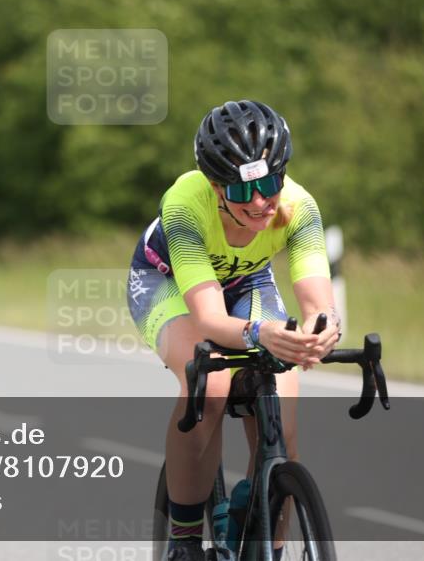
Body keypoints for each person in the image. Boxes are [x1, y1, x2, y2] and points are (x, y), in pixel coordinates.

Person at [126, 100, 341, 561]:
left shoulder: (298, 207)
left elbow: (316, 295)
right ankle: (183, 541)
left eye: (270, 184)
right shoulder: (185, 204)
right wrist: (259, 334)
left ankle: (271, 542)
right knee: (211, 379)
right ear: (215, 186)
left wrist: (323, 327)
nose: (263, 202)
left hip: (246, 282)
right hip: (166, 283)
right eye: (245, 192)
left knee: (283, 404)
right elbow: (207, 318)